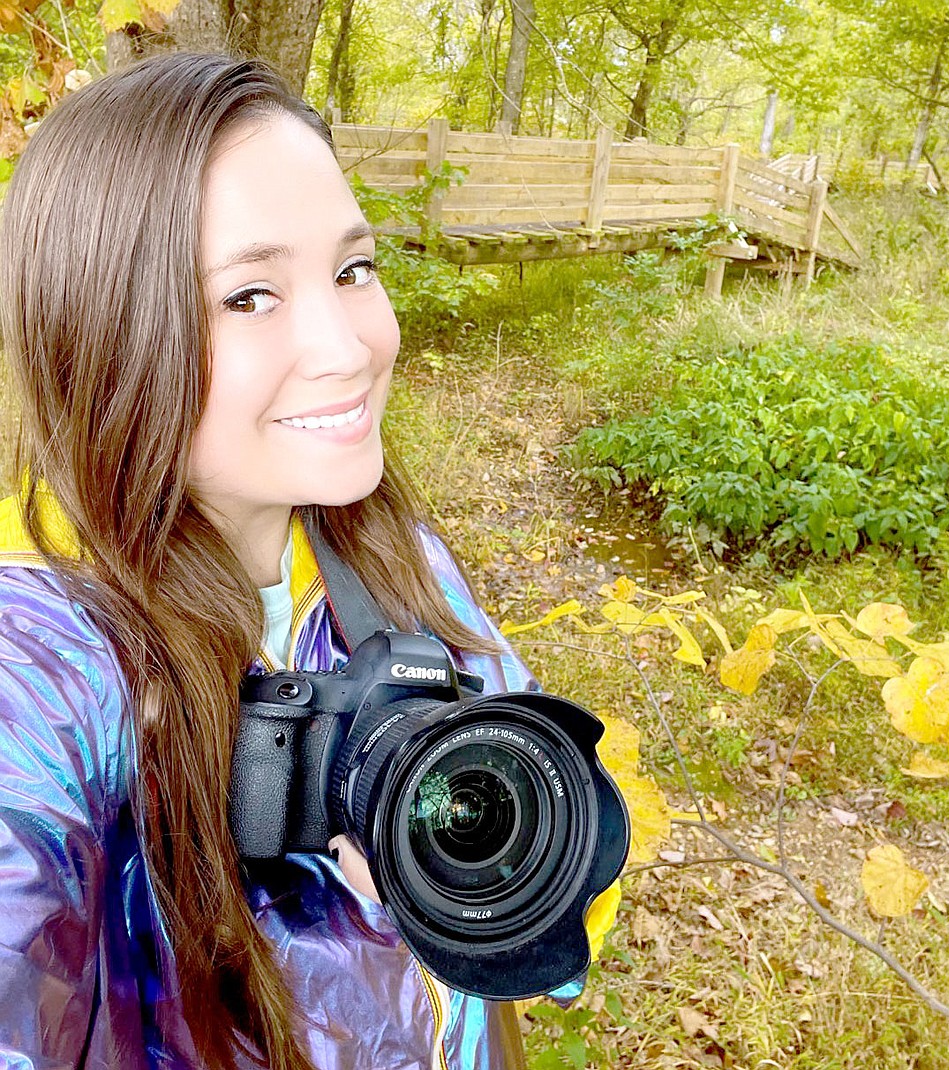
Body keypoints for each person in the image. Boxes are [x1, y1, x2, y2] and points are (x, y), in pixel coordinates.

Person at [0, 53, 615, 1070]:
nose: (347, 344)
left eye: (353, 268)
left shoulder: (384, 554)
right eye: (248, 295)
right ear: (99, 330)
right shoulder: (40, 668)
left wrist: (475, 885)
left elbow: (548, 866)